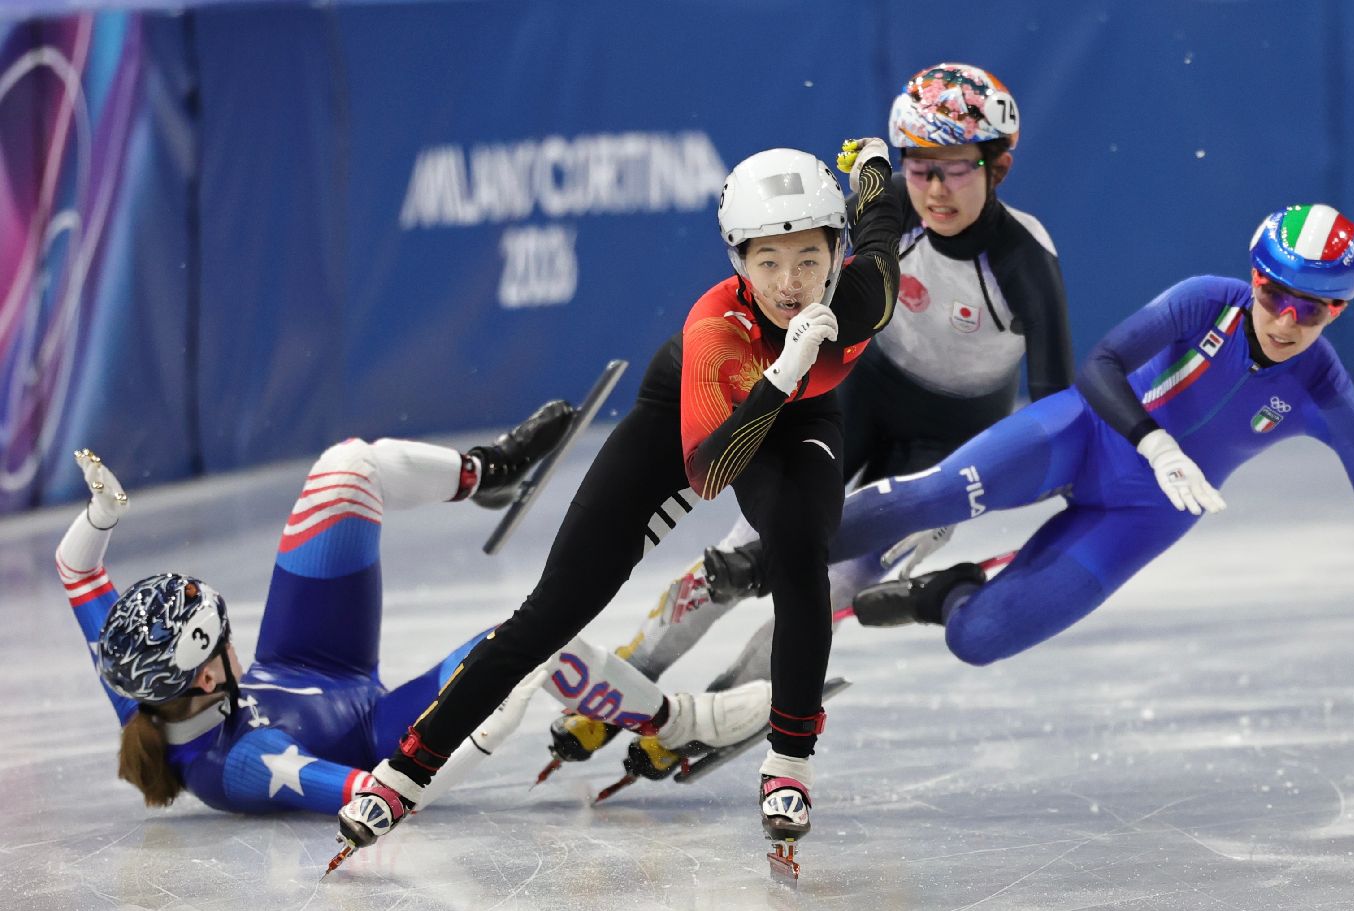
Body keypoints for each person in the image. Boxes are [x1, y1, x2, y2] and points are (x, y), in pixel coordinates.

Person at [338, 140, 902, 858]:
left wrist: (872, 165)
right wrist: (783, 371)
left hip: (799, 421)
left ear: (836, 254)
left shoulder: (864, 295)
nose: (790, 284)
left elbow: (880, 217)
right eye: (768, 262)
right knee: (554, 609)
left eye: (809, 261)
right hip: (694, 421)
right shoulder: (715, 330)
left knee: (799, 551)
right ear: (738, 262)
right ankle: (405, 773)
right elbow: (708, 474)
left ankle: (789, 761)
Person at [718, 204, 1354, 700]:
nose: (1285, 321)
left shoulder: (1324, 390)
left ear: (1338, 313)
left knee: (978, 640)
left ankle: (942, 593)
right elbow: (1102, 366)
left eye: (1312, 311)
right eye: (1273, 294)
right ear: (1253, 279)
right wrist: (1153, 441)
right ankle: (761, 561)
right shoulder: (1207, 301)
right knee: (929, 496)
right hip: (1087, 433)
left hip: (1142, 515)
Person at [550, 62, 1073, 782]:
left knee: (823, 592)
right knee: (734, 562)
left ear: (998, 166)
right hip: (853, 403)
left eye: (955, 169)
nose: (935, 190)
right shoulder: (890, 208)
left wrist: (1059, 486)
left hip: (946, 452)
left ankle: (721, 709)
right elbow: (796, 275)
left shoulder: (1023, 261)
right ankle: (626, 683)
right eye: (919, 167)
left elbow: (1054, 406)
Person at [58, 405, 770, 817]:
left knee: (345, 470)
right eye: (220, 642)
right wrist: (479, 735)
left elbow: (76, 569)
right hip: (375, 728)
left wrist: (101, 516)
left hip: (304, 659)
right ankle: (681, 722)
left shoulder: (139, 688)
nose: (227, 645)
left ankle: (488, 473)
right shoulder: (246, 761)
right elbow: (378, 796)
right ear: (207, 679)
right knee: (531, 642)